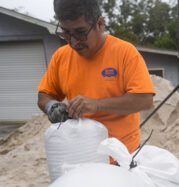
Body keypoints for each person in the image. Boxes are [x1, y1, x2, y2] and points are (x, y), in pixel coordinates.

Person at [37, 0, 155, 163]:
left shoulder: (125, 53)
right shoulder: (61, 57)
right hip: (81, 156)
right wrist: (52, 107)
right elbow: (44, 95)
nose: (73, 42)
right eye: (66, 32)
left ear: (100, 24)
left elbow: (145, 100)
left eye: (80, 32)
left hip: (121, 158)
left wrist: (96, 104)